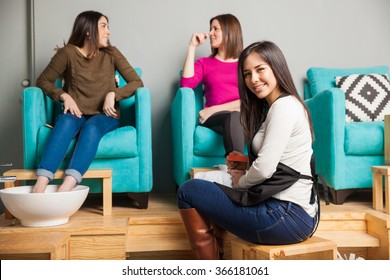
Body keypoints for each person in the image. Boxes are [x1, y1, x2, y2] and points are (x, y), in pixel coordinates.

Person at [177, 41, 319, 260]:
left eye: (260, 69)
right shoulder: (277, 107)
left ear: (276, 67)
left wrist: (240, 182)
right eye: (247, 73)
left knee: (189, 190)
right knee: (208, 179)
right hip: (292, 213)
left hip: (285, 216)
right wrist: (244, 165)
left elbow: (264, 170)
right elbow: (282, 160)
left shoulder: (284, 107)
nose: (253, 79)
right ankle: (221, 253)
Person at [32, 10, 143, 193]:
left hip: (105, 116)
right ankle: (40, 185)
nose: (108, 32)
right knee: (66, 121)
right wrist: (64, 96)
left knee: (91, 128)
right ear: (89, 31)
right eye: (104, 26)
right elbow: (42, 80)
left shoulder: (112, 53)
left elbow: (137, 82)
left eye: (108, 27)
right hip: (76, 113)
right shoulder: (68, 53)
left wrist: (113, 94)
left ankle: (65, 189)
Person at [180, 13, 245, 157]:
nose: (210, 33)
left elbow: (250, 100)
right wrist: (192, 46)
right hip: (216, 119)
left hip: (237, 115)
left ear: (229, 32)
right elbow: (186, 84)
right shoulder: (204, 63)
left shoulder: (245, 64)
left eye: (215, 29)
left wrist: (213, 109)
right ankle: (236, 171)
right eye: (210, 29)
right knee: (234, 116)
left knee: (242, 116)